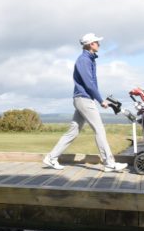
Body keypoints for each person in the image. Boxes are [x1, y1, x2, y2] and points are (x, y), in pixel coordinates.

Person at [43, 33, 128, 172]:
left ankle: (51, 158)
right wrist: (101, 100)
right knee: (99, 129)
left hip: (82, 99)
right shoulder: (84, 60)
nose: (99, 44)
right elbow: (89, 84)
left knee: (73, 132)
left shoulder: (89, 59)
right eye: (97, 42)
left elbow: (90, 83)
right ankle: (109, 163)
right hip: (84, 99)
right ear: (90, 44)